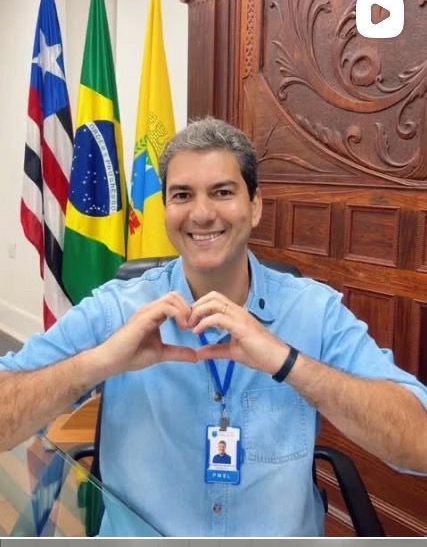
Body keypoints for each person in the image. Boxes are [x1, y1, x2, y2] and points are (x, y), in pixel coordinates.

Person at [0, 117, 426, 537]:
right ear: (165, 209)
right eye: (182, 195)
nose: (202, 214)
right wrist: (97, 363)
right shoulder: (115, 309)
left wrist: (287, 362)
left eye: (222, 192)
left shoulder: (315, 311)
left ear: (255, 206)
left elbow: (420, 444)